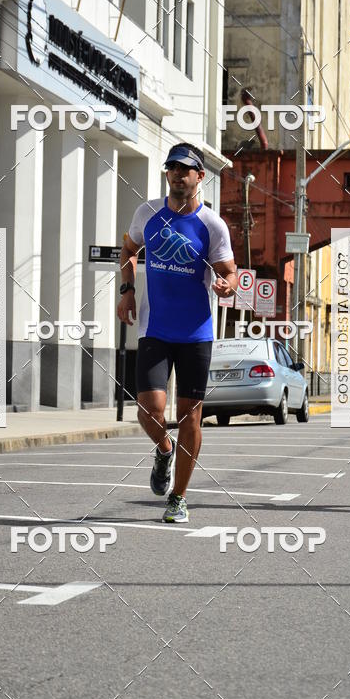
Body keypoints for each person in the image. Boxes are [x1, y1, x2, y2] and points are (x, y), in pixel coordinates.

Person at [117, 143, 237, 523]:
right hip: (155, 327)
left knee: (190, 416)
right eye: (172, 168)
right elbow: (128, 251)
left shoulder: (212, 225)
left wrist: (227, 286)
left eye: (186, 170)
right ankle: (164, 449)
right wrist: (127, 290)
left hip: (196, 332)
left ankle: (179, 498)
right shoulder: (147, 213)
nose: (177, 174)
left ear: (200, 177)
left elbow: (230, 271)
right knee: (149, 410)